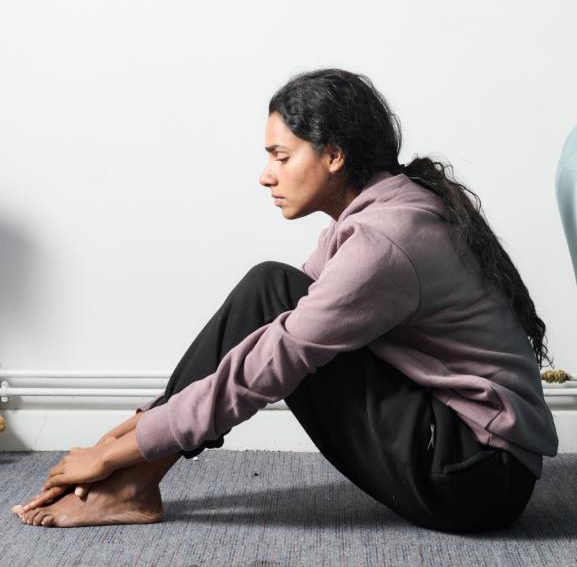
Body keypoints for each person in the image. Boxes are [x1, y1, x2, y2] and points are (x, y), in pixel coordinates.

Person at [11, 68, 558, 532]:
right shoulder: (384, 210)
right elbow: (269, 320)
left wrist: (117, 449)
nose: (265, 175)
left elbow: (274, 360)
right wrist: (137, 428)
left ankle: (132, 481)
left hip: (475, 476)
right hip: (468, 455)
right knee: (270, 288)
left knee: (277, 325)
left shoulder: (383, 242)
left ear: (334, 155)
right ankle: (135, 481)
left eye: (280, 154)